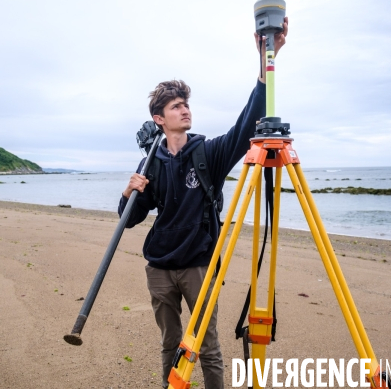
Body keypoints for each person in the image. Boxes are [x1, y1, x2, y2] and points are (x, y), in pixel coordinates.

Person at [118, 20, 288, 389]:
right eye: (176, 106)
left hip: (198, 266)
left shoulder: (207, 153)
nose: (185, 110)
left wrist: (263, 69)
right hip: (159, 268)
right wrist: (129, 192)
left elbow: (246, 126)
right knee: (169, 344)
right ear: (159, 119)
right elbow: (128, 220)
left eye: (186, 104)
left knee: (208, 347)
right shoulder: (150, 162)